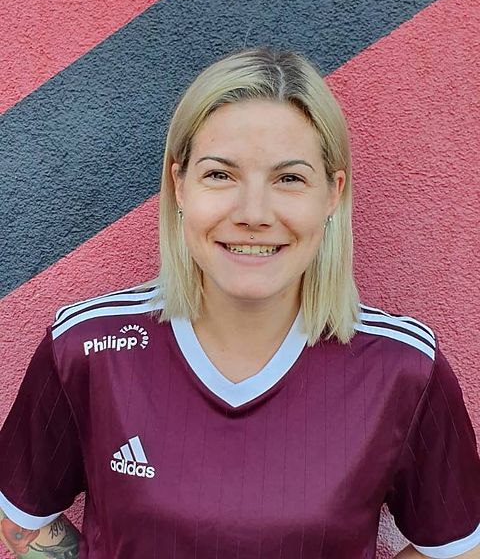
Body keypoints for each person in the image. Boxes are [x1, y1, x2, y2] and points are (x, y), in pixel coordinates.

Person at [0, 47, 479, 558]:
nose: (253, 213)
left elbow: (457, 549)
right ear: (179, 185)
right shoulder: (88, 347)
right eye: (220, 175)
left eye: (289, 178)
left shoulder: (402, 368)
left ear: (332, 193)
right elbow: (18, 522)